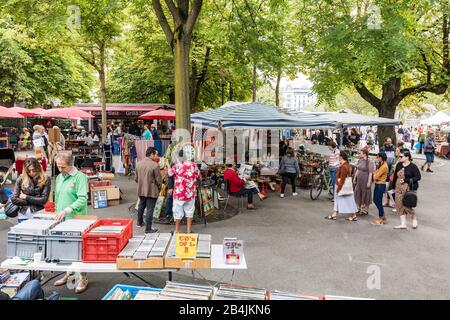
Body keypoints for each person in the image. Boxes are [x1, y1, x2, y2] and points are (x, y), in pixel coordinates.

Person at [52, 153, 89, 294]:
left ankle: (82, 277)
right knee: (66, 249)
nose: (60, 169)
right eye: (58, 166)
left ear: (71, 164)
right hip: (62, 219)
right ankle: (69, 273)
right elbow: (59, 195)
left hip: (76, 219)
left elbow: (82, 199)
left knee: (79, 249)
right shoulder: (61, 176)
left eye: (63, 167)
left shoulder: (80, 177)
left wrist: (68, 209)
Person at [168, 145, 201, 234]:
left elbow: (170, 175)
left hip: (179, 193)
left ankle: (177, 230)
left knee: (177, 212)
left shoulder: (176, 166)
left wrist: (170, 187)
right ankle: (188, 230)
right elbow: (199, 176)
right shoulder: (193, 165)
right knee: (190, 211)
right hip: (190, 193)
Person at [392, 149, 421, 230]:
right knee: (399, 205)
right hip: (398, 188)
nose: (399, 157)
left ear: (407, 157)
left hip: (408, 188)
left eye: (401, 156)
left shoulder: (413, 166)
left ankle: (414, 217)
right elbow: (395, 177)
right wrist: (393, 187)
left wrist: (406, 180)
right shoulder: (399, 165)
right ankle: (403, 224)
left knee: (406, 205)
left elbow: (418, 177)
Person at [326, 152, 358, 221]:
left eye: (339, 156)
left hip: (342, 186)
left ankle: (354, 215)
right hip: (343, 186)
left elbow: (343, 179)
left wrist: (338, 189)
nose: (338, 157)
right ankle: (335, 214)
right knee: (343, 200)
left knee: (348, 201)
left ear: (341, 157)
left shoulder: (344, 166)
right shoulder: (345, 164)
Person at [135, 147, 161, 233]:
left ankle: (139, 222)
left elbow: (136, 178)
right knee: (150, 209)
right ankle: (148, 228)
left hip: (141, 189)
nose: (156, 156)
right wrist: (159, 187)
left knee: (141, 205)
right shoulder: (155, 165)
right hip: (151, 190)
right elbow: (158, 180)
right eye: (156, 154)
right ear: (151, 154)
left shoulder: (138, 164)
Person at [353, 149, 375, 215]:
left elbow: (371, 172)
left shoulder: (369, 161)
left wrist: (369, 181)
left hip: (366, 179)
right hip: (359, 179)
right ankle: (358, 207)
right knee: (358, 192)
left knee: (366, 193)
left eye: (360, 153)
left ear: (364, 154)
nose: (359, 154)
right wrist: (355, 178)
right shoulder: (360, 160)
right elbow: (358, 169)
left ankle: (366, 209)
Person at [371, 152, 389, 225]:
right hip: (378, 184)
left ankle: (381, 217)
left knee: (378, 201)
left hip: (380, 185)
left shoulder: (384, 166)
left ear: (381, 158)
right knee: (376, 200)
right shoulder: (381, 164)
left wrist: (374, 173)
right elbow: (376, 174)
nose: (376, 159)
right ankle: (383, 216)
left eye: (377, 157)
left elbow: (375, 176)